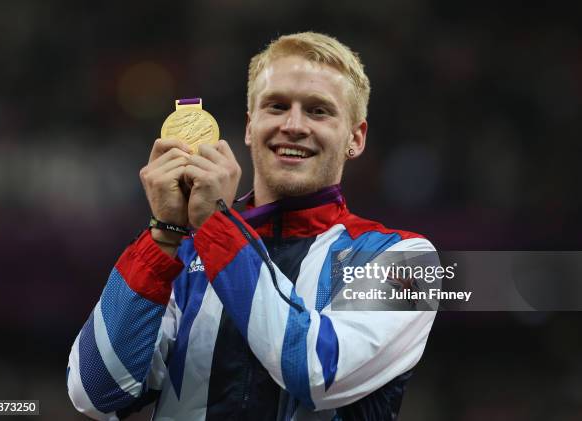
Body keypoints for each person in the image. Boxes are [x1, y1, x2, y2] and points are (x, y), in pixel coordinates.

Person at [66, 32, 437, 421]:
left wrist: (216, 228)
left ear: (355, 138)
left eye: (318, 111)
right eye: (276, 106)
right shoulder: (186, 256)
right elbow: (94, 392)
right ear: (248, 127)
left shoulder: (405, 260)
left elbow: (317, 372)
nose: (293, 125)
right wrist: (162, 236)